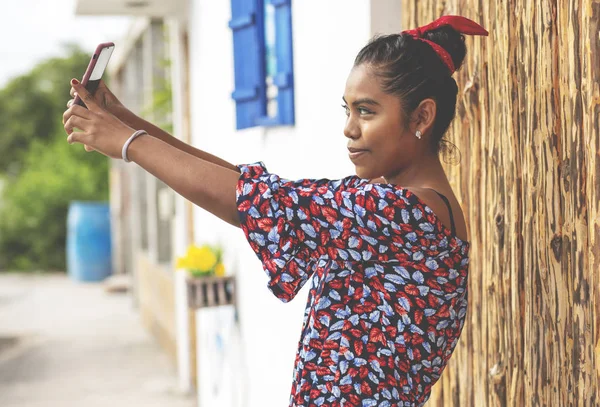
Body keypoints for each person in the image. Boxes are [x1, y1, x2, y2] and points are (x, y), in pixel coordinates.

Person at [63, 15, 487, 407]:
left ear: (423, 116)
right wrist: (126, 121)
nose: (349, 127)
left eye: (367, 111)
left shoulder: (401, 214)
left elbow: (250, 200)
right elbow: (253, 189)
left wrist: (128, 142)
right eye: (348, 109)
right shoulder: (392, 204)